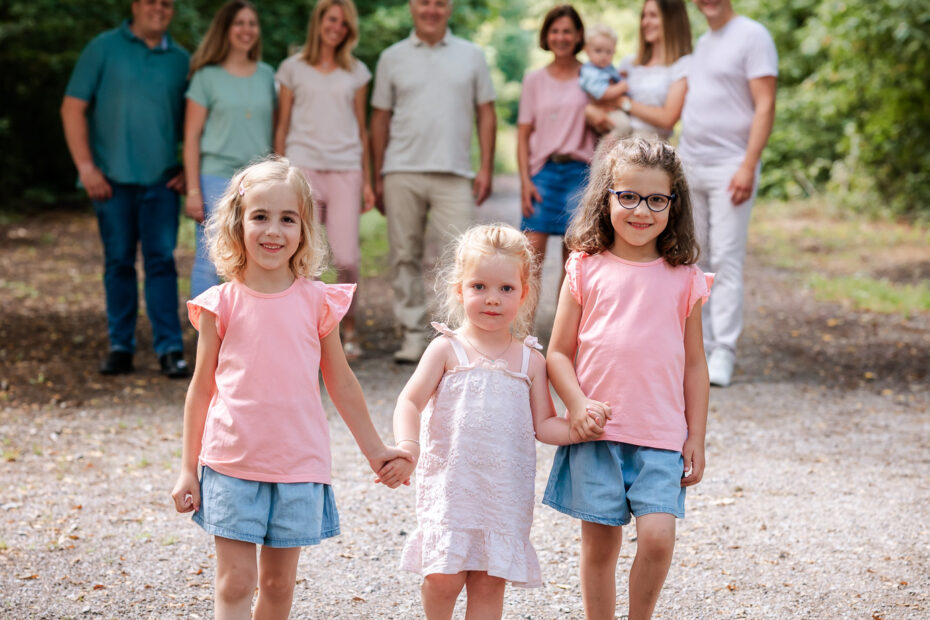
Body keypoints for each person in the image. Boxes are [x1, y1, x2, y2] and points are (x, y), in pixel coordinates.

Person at [169, 158, 411, 619]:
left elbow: (340, 381)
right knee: (235, 582)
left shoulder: (317, 301)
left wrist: (375, 449)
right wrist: (187, 468)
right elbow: (200, 390)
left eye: (287, 218)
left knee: (279, 586)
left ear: (304, 228)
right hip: (231, 462)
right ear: (238, 224)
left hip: (298, 465)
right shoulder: (222, 303)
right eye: (260, 216)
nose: (273, 231)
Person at [543, 137, 711, 620]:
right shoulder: (585, 267)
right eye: (629, 196)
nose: (642, 210)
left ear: (673, 204)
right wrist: (576, 405)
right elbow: (558, 353)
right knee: (600, 545)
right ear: (607, 198)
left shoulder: (684, 277)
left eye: (657, 199)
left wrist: (695, 435)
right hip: (597, 433)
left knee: (658, 538)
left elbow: (695, 364)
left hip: (660, 434)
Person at [391, 224, 582, 619]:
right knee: (442, 576)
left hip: (502, 494)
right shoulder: (446, 349)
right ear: (459, 289)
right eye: (479, 287)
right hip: (453, 488)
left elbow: (544, 423)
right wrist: (408, 446)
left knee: (489, 582)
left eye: (505, 289)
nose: (492, 299)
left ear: (524, 294)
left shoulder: (530, 360)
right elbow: (409, 401)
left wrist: (576, 427)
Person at [60, 0, 190, 377]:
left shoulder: (182, 60)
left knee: (162, 263)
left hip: (162, 183)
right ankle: (121, 346)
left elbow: (195, 120)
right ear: (135, 5)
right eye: (152, 1)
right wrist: (86, 167)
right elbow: (72, 108)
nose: (159, 9)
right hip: (111, 182)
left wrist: (188, 169)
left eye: (167, 4)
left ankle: (169, 349)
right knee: (118, 262)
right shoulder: (102, 48)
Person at [370, 0, 497, 364]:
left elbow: (486, 114)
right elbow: (379, 119)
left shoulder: (471, 55)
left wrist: (485, 166)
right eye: (424, 2)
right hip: (401, 171)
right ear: (412, 6)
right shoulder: (392, 57)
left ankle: (461, 337)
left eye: (439, 3)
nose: (431, 10)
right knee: (403, 256)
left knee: (464, 258)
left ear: (450, 8)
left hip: (455, 172)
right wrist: (376, 173)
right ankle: (412, 336)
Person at [678, 0, 777, 387]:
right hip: (692, 164)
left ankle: (724, 352)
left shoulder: (753, 35)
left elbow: (765, 103)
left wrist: (748, 164)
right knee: (693, 259)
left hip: (730, 164)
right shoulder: (703, 43)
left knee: (726, 259)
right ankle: (694, 350)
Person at [275, 0, 373, 360]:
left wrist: (367, 180)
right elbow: (282, 124)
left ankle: (350, 330)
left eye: (344, 23)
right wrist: (278, 171)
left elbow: (362, 129)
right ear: (319, 22)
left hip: (346, 168)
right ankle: (305, 331)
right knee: (304, 257)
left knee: (347, 257)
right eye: (332, 20)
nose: (337, 28)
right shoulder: (292, 69)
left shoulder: (357, 72)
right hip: (302, 170)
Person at [183, 0, 276, 299]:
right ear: (226, 29)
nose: (246, 29)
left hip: (258, 181)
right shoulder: (205, 77)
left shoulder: (267, 76)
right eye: (239, 23)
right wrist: (193, 191)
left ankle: (244, 338)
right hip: (216, 179)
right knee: (211, 263)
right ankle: (205, 341)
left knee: (255, 261)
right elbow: (192, 137)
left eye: (251, 23)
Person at [517, 4, 595, 290]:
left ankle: (565, 335)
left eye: (567, 31)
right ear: (546, 35)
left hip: (580, 174)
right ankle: (523, 334)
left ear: (578, 36)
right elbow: (523, 134)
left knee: (574, 265)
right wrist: (525, 181)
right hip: (543, 173)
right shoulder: (534, 80)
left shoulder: (591, 76)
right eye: (555, 31)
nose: (561, 37)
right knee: (528, 263)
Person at [587, 0, 692, 142]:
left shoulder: (682, 65)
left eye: (653, 15)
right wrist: (592, 111)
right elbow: (602, 96)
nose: (645, 22)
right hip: (618, 142)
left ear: (671, 19)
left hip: (651, 148)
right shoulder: (629, 63)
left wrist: (624, 102)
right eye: (644, 16)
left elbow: (667, 119)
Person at [578, 24, 633, 138]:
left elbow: (609, 77)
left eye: (608, 52)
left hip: (613, 109)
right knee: (623, 127)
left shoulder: (605, 68)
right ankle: (606, 152)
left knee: (625, 128)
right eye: (598, 51)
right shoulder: (590, 72)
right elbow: (603, 93)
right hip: (603, 111)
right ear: (587, 51)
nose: (604, 56)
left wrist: (619, 75)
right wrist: (622, 86)